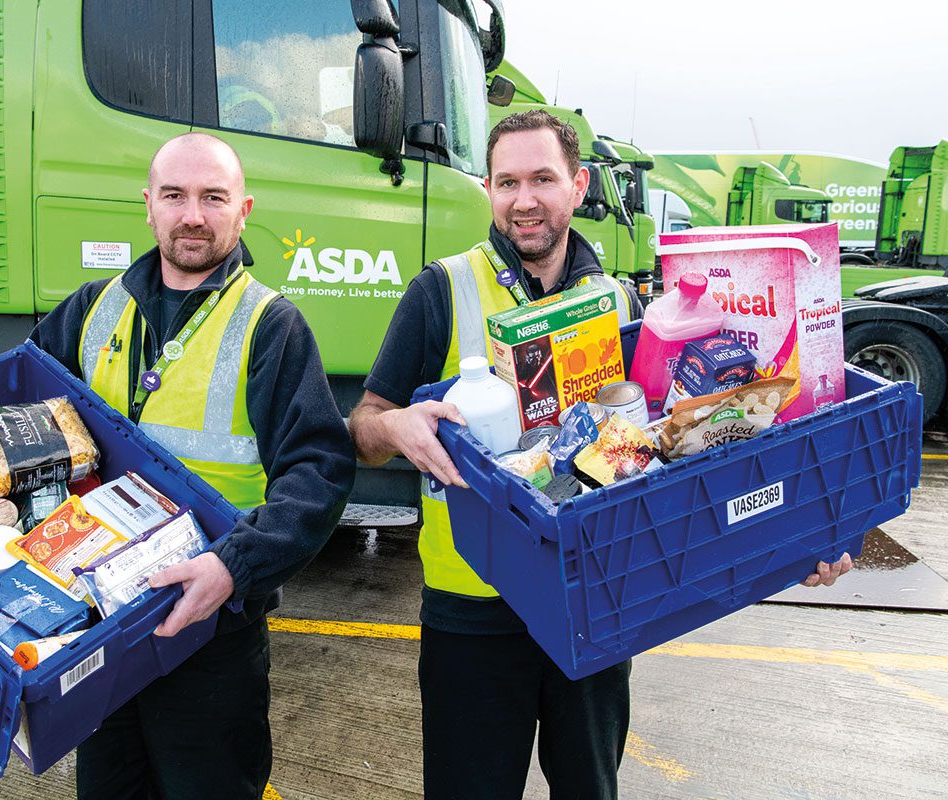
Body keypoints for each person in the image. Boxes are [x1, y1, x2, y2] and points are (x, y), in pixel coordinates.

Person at [348, 110, 852, 800]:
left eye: (543, 179)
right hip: (472, 606)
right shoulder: (442, 288)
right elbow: (365, 429)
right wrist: (394, 426)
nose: (524, 200)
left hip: (595, 598)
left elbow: (679, 453)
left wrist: (802, 540)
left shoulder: (620, 306)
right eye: (507, 182)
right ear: (489, 191)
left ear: (579, 186)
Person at [31, 132, 355, 800]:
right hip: (99, 629)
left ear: (243, 210)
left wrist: (234, 567)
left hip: (209, 631)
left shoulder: (272, 325)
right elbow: (21, 415)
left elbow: (318, 470)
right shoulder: (92, 309)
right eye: (175, 196)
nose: (193, 215)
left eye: (214, 197)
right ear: (148, 206)